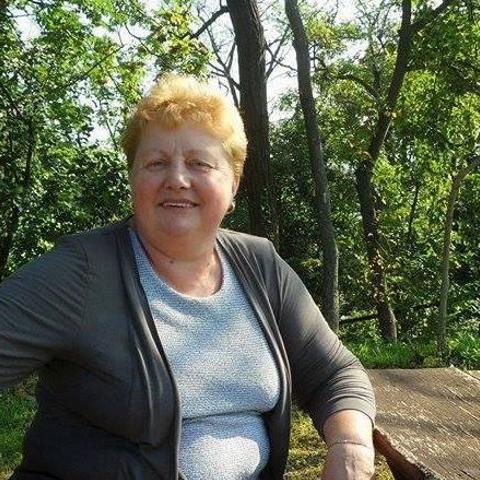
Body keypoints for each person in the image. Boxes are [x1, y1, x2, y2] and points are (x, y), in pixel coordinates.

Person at [0, 74, 376, 480]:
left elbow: (334, 373)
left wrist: (350, 446)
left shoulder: (260, 265)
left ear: (233, 184)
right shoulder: (83, 272)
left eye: (199, 163)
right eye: (156, 163)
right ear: (134, 179)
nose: (177, 179)